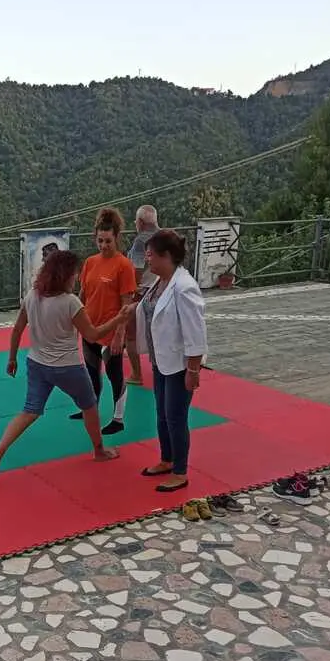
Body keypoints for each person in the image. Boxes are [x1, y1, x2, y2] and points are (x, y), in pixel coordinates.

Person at [0, 249, 129, 477]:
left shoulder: (33, 296)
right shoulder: (70, 302)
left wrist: (12, 358)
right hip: (67, 367)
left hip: (36, 364)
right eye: (75, 274)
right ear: (66, 275)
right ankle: (99, 450)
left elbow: (17, 330)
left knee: (29, 411)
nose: (76, 278)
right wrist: (119, 319)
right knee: (90, 406)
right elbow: (92, 335)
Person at [133, 229, 207, 493]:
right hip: (160, 360)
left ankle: (180, 471)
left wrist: (193, 369)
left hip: (179, 364)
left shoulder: (184, 287)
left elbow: (195, 331)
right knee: (162, 414)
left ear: (166, 256)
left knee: (176, 416)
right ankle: (166, 459)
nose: (148, 260)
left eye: (151, 255)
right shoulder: (160, 282)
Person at [70, 208, 137, 435]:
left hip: (110, 332)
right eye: (100, 241)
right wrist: (74, 320)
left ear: (116, 238)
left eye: (108, 241)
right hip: (91, 329)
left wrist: (120, 335)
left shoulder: (123, 266)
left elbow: (126, 305)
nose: (104, 245)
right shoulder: (90, 262)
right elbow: (83, 295)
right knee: (91, 372)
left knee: (114, 374)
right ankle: (91, 409)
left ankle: (118, 418)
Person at [125, 204, 161, 385]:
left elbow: (136, 271)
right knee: (159, 332)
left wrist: (129, 291)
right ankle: (162, 370)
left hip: (143, 292)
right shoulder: (165, 237)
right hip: (162, 290)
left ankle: (136, 374)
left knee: (130, 332)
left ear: (139, 222)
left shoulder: (141, 241)